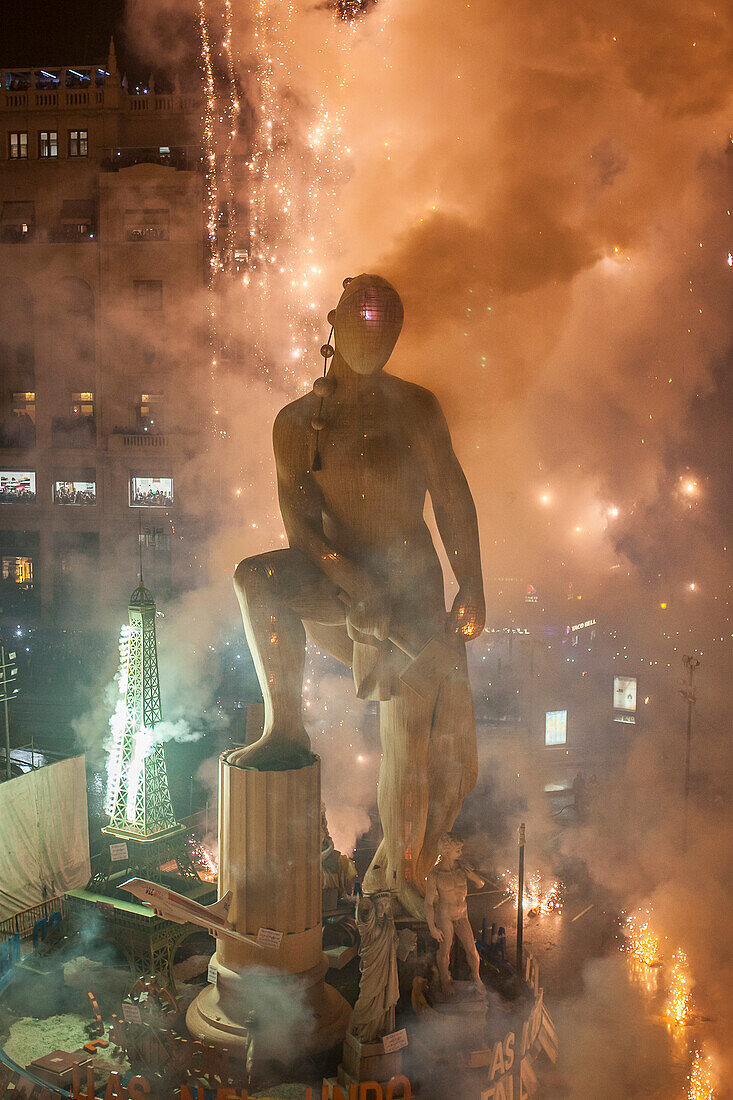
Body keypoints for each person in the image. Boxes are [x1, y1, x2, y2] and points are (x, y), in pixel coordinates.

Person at [232, 274, 485, 916]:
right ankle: (283, 724)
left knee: (416, 739)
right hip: (336, 583)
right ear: (335, 322)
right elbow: (299, 525)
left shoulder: (417, 407)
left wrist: (472, 582)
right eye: (363, 318)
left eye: (387, 324)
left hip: (411, 592)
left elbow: (451, 498)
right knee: (256, 579)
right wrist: (350, 577)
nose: (374, 333)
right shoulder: (297, 422)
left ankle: (402, 867)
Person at [425, 832, 485, 995]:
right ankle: (445, 980)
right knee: (445, 950)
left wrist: (471, 874)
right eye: (457, 849)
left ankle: (476, 977)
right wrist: (432, 927)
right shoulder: (434, 875)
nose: (460, 851)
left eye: (460, 848)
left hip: (462, 914)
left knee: (471, 949)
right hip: (445, 915)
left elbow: (480, 884)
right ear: (446, 851)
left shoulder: (462, 868)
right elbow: (429, 903)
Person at [349, 890, 400, 1042]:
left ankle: (378, 1031)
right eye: (380, 904)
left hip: (387, 966)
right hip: (372, 967)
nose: (383, 908)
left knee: (383, 996)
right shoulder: (369, 923)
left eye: (386, 904)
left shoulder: (388, 922)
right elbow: (360, 920)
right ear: (374, 906)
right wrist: (363, 905)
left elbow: (394, 940)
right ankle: (359, 1028)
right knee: (367, 997)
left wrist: (400, 943)